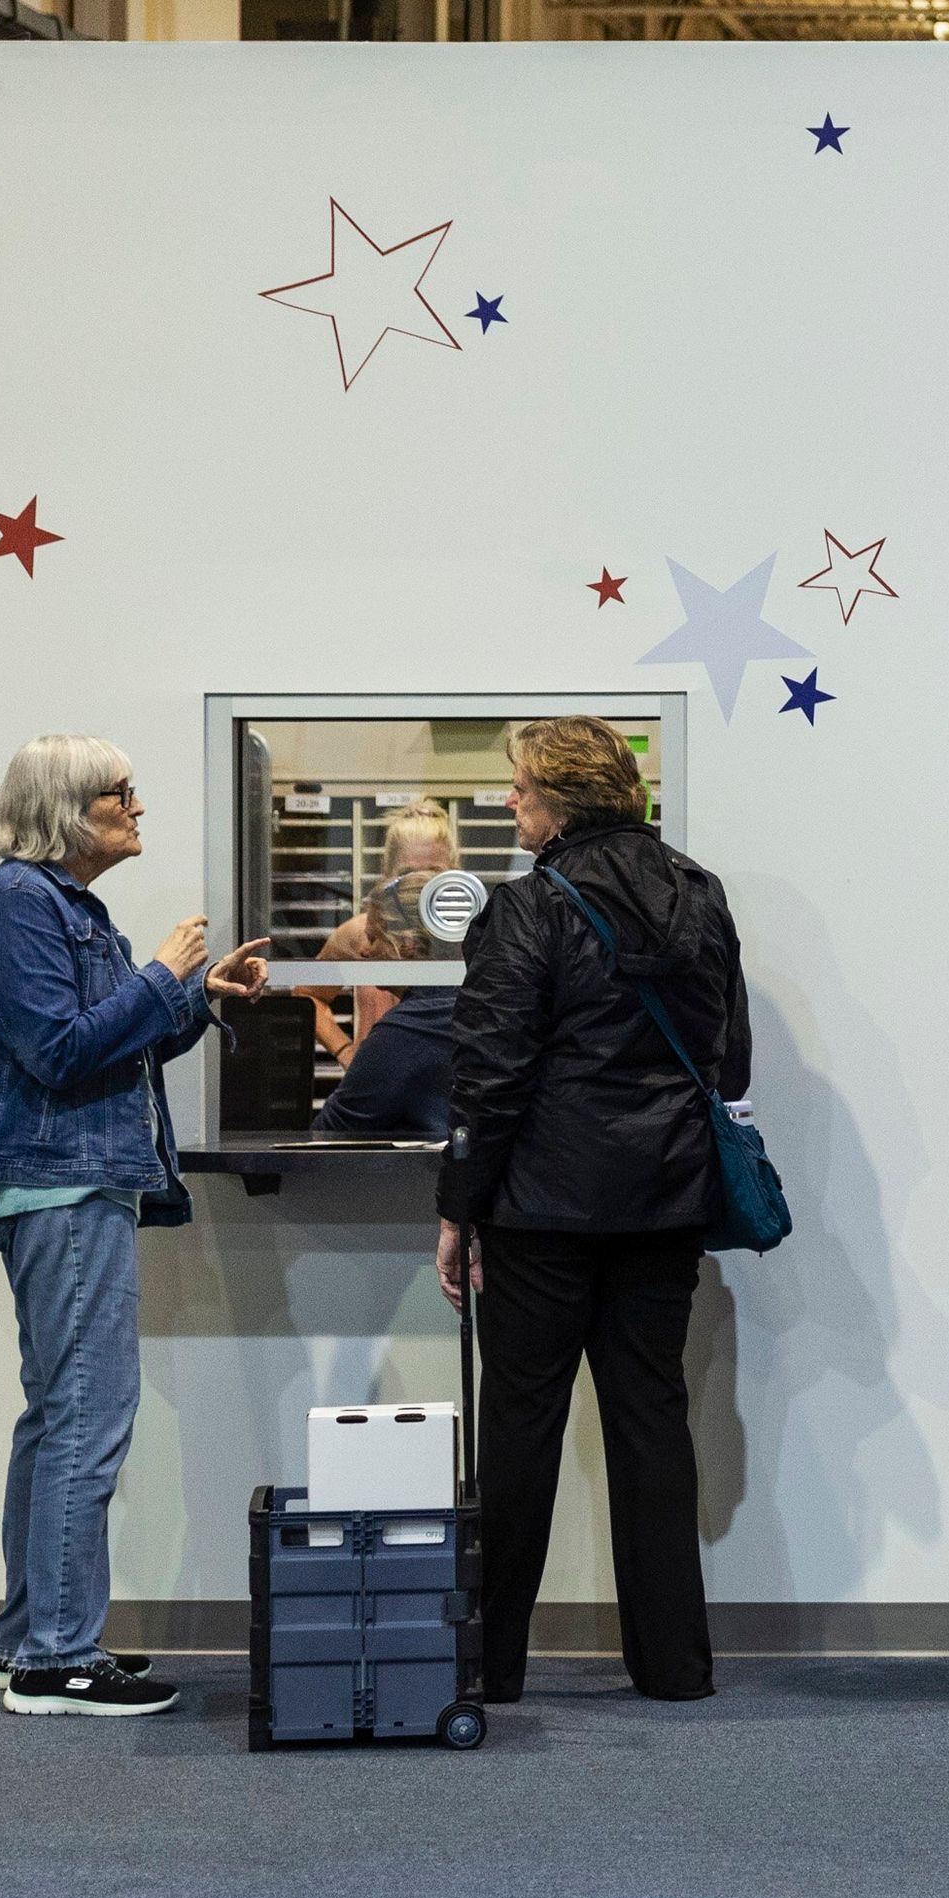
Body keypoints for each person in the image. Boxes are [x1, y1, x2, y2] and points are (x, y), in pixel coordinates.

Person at [0, 736, 267, 1715]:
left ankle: (25, 1639)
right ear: (69, 809)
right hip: (59, 1185)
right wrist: (165, 973)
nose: (137, 808)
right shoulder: (17, 904)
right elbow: (58, 1051)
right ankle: (56, 1657)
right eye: (120, 794)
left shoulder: (56, 907)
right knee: (85, 1417)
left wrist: (195, 998)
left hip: (67, 1183)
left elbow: (110, 1041)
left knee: (57, 1417)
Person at [434, 716, 753, 1705]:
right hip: (665, 1201)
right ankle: (675, 1665)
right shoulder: (700, 893)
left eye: (520, 785)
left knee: (520, 1428)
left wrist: (459, 1210)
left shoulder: (528, 908)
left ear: (563, 797)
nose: (508, 801)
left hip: (542, 1207)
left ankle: (492, 1665)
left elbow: (489, 1077)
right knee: (652, 1420)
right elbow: (730, 1058)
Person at [311, 874, 460, 1139]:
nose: (364, 952)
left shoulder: (404, 1034)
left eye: (374, 938)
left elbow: (327, 1135)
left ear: (406, 945)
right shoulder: (481, 1002)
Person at [311, 803, 459, 1061]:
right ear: (387, 874)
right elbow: (309, 996)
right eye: (407, 874)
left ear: (454, 873)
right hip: (374, 1078)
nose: (418, 884)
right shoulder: (365, 933)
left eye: (433, 873)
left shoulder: (470, 936)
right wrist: (345, 1051)